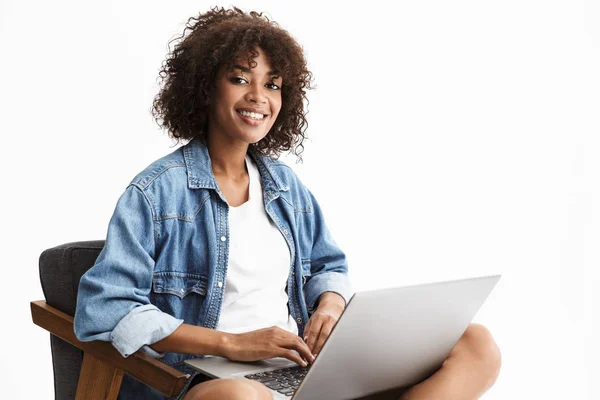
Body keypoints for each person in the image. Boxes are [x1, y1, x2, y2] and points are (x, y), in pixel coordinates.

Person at [74, 6, 501, 400]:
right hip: (208, 382)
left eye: (273, 84)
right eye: (240, 78)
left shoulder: (284, 187)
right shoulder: (155, 193)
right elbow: (106, 308)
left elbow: (328, 266)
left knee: (476, 343)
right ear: (204, 87)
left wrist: (331, 308)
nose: (259, 96)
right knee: (244, 397)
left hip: (296, 367)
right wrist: (234, 344)